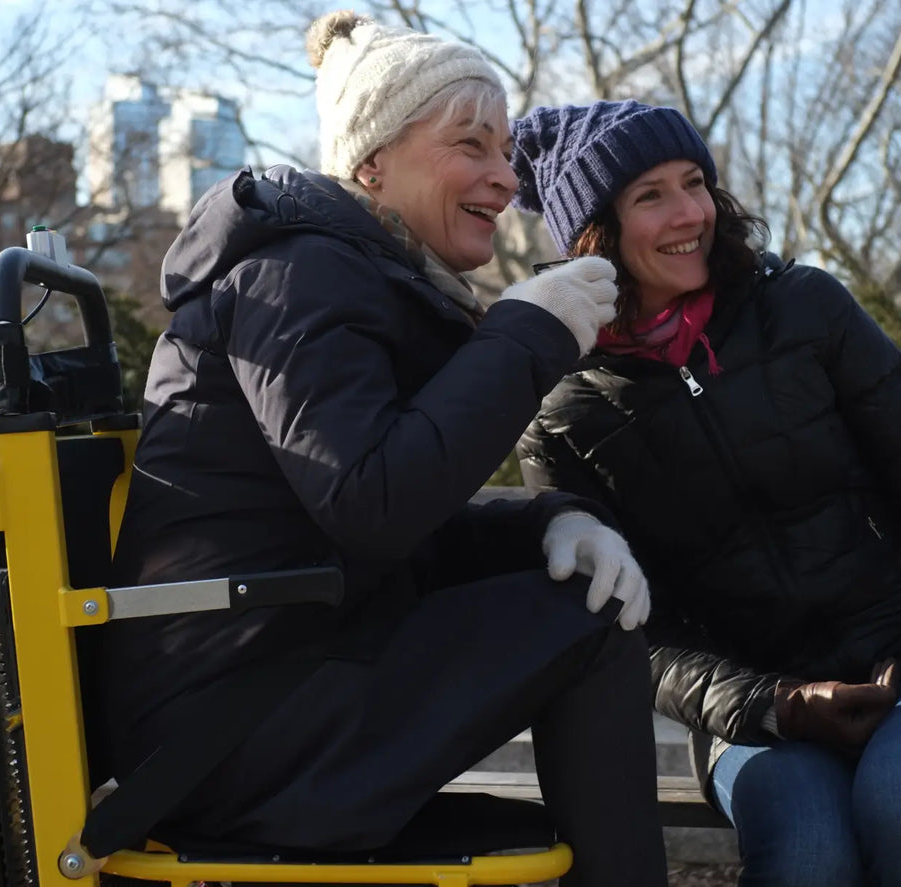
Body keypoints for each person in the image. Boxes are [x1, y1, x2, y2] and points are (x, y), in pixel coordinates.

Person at [91, 20, 669, 886]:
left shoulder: (358, 279)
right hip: (231, 731)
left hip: (273, 693)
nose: (507, 178)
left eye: (508, 152)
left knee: (586, 600)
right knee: (595, 630)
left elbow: (396, 521)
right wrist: (525, 334)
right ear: (371, 165)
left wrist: (549, 521)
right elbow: (373, 502)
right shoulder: (299, 276)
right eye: (469, 145)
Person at [510, 100, 901, 887]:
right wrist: (779, 703)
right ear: (593, 235)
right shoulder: (561, 413)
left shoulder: (805, 304)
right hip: (751, 708)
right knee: (809, 852)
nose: (690, 214)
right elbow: (629, 634)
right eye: (651, 197)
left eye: (695, 183)